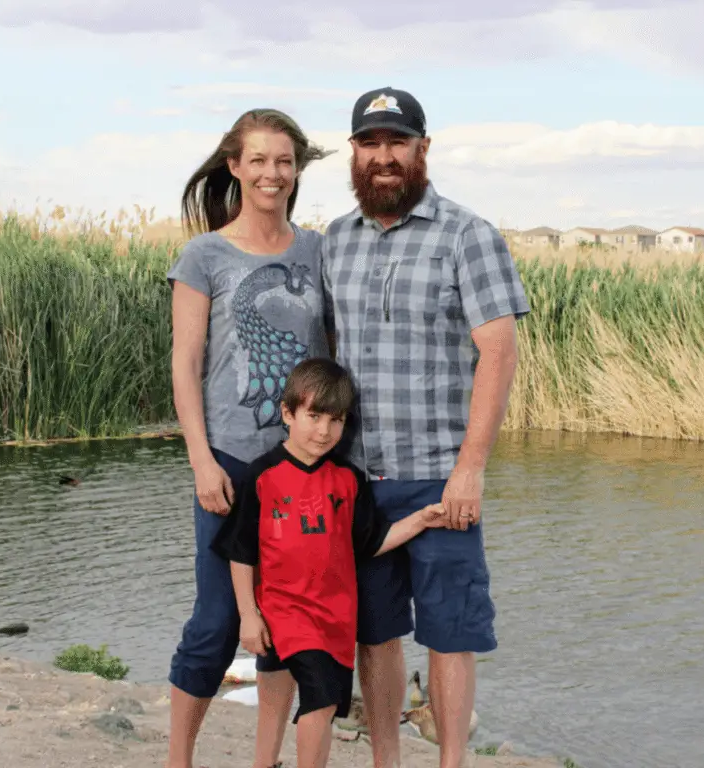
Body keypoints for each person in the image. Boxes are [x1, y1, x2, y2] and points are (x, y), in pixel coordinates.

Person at [321, 87, 532, 768]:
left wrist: (470, 469)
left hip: (442, 480)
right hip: (358, 478)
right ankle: (387, 759)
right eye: (370, 143)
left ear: (423, 149)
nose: (384, 157)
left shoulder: (468, 235)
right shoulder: (335, 242)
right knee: (374, 634)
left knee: (449, 633)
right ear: (354, 152)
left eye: (398, 142)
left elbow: (498, 353)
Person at [164, 108, 333, 768]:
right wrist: (201, 460)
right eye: (259, 160)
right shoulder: (205, 254)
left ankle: (265, 760)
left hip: (299, 467)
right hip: (231, 462)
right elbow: (186, 362)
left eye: (284, 161)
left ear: (297, 170)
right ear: (234, 165)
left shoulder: (317, 250)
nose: (273, 173)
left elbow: (336, 351)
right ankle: (178, 757)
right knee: (217, 623)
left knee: (284, 623)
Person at [211, 357, 449, 768]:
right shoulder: (261, 476)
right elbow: (240, 551)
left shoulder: (348, 479)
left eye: (336, 420)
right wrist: (249, 616)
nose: (324, 431)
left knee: (326, 703)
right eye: (314, 416)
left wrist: (420, 519)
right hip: (286, 612)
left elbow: (370, 543)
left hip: (336, 620)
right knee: (320, 698)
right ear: (288, 413)